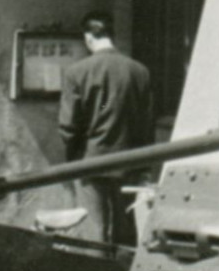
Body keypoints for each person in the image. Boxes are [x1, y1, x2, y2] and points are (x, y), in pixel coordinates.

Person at [56, 15, 153, 243]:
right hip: (129, 161)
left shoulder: (77, 72)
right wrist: (144, 166)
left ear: (88, 37)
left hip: (90, 161)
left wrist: (73, 159)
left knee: (93, 231)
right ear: (112, 35)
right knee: (126, 229)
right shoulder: (139, 71)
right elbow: (146, 123)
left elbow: (68, 125)